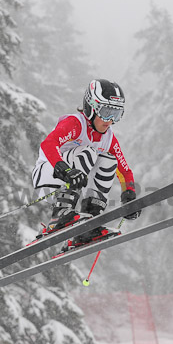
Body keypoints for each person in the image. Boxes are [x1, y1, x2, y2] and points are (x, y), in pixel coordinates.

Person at [31, 79, 140, 246]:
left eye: (116, 114)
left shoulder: (108, 138)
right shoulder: (75, 124)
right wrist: (65, 170)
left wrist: (129, 196)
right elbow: (48, 144)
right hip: (49, 174)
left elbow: (124, 170)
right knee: (88, 151)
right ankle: (60, 213)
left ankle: (90, 224)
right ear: (91, 107)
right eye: (106, 112)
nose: (109, 120)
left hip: (72, 179)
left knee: (108, 160)